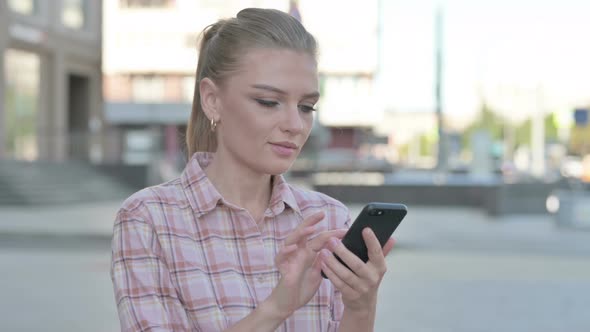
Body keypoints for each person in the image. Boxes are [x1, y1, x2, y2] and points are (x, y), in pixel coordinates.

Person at [110, 7, 395, 332]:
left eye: (306, 107)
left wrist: (361, 307)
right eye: (268, 101)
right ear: (212, 100)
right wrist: (277, 307)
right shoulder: (148, 219)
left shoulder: (328, 218)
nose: (295, 125)